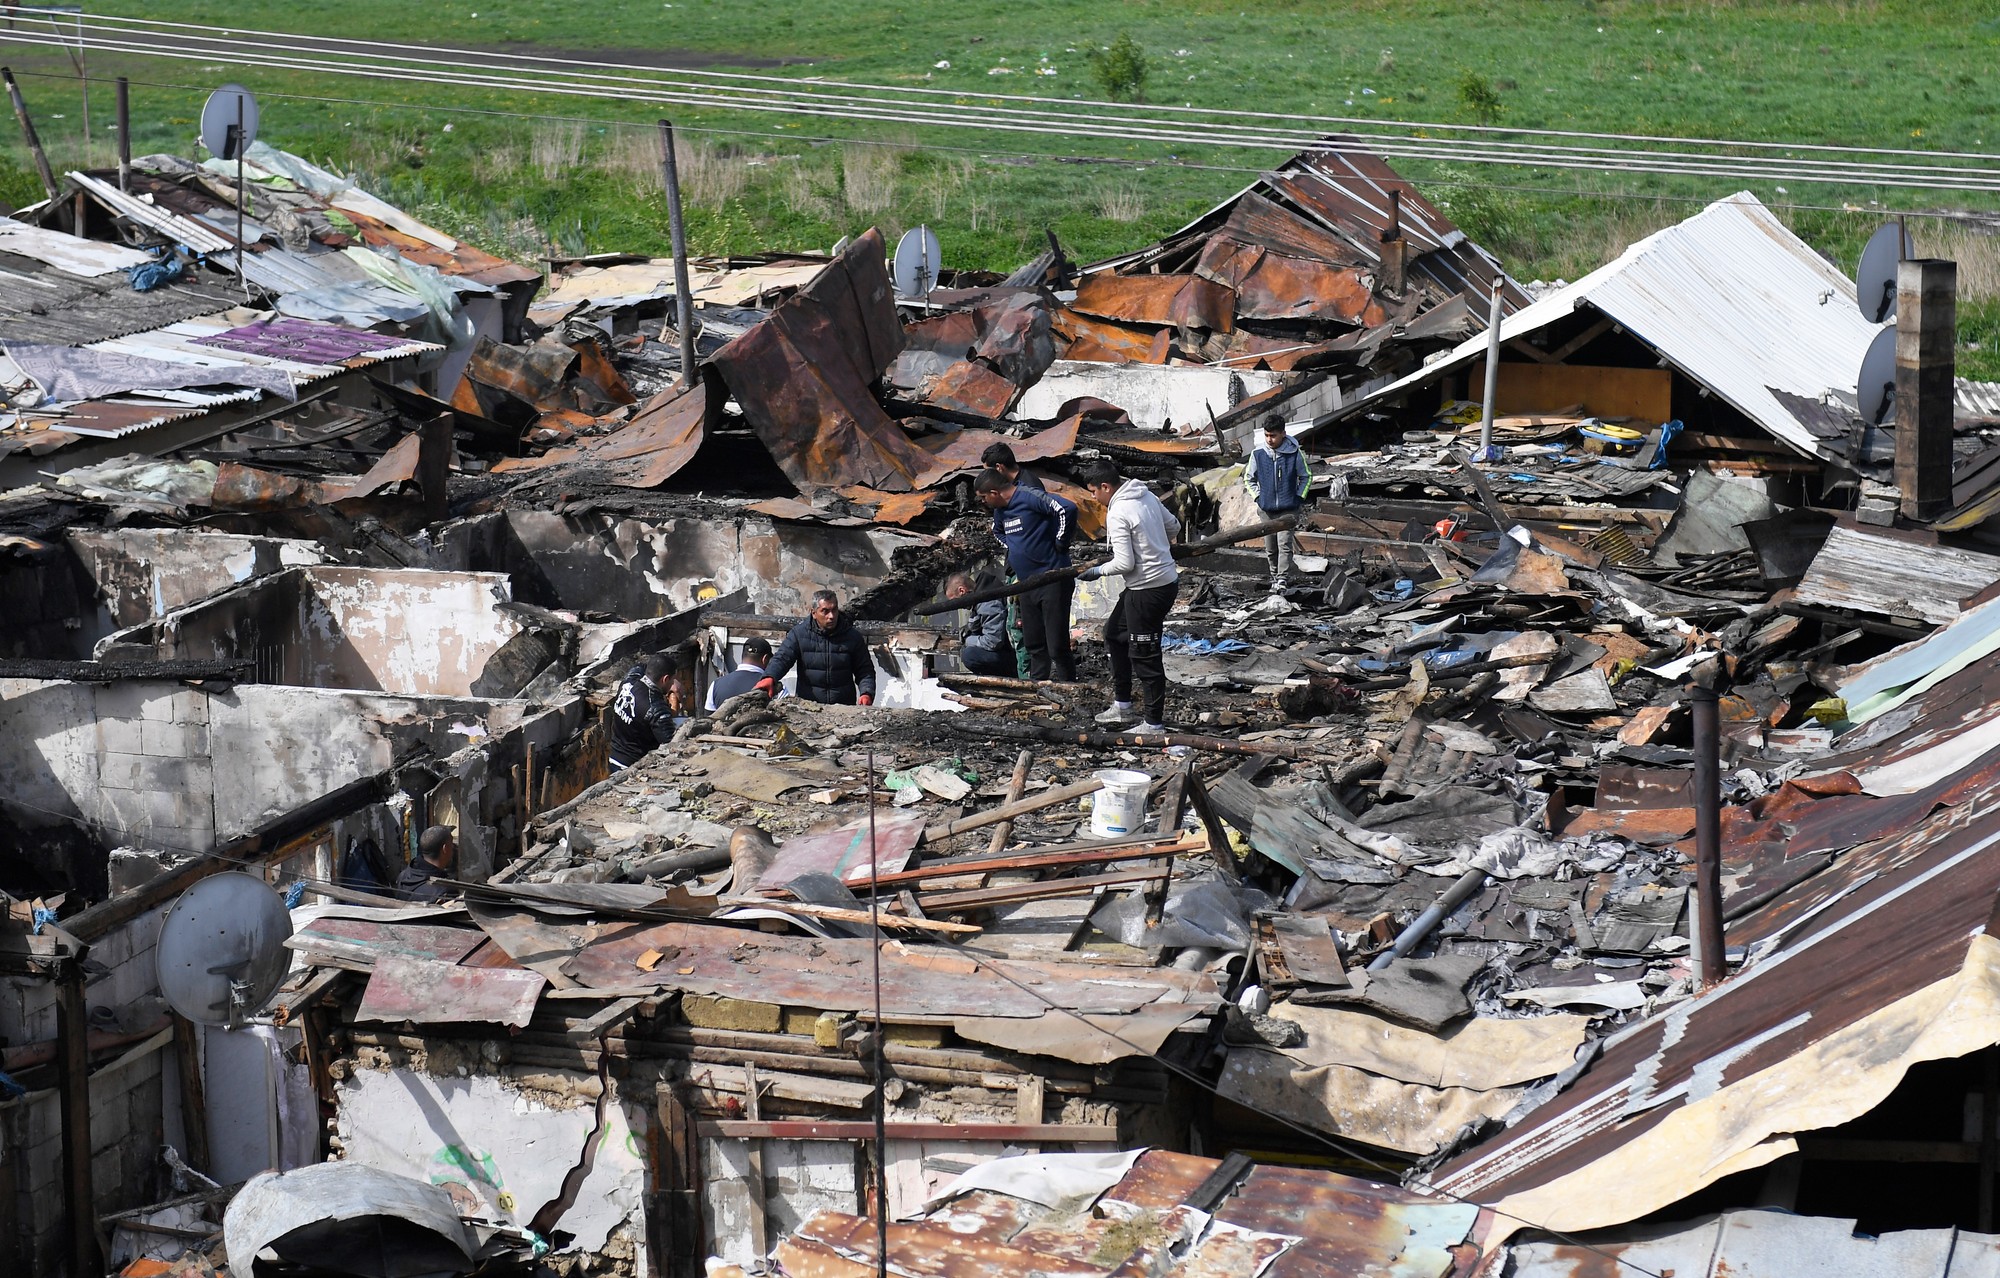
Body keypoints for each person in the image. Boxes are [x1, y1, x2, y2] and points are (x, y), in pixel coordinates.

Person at [1077, 459, 1181, 734]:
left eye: (1093, 491)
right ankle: (1123, 706)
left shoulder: (1119, 511)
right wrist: (1154, 544)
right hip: (1160, 584)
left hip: (1148, 590)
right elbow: (1174, 526)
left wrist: (1097, 571)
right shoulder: (1145, 494)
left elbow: (1124, 564)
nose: (1093, 497)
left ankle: (1153, 723)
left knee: (1145, 656)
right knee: (1114, 633)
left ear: (1105, 486)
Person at [976, 468, 1078, 681]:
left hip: (1053, 577)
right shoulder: (1000, 513)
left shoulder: (1029, 497)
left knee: (1057, 644)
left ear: (994, 492)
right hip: (1026, 583)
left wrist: (1061, 541)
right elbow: (998, 532)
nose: (983, 502)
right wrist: (1014, 548)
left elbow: (1066, 508)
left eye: (984, 497)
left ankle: (1070, 687)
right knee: (1033, 642)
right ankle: (1037, 687)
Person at [758, 589, 877, 706]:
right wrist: (770, 677)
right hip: (809, 707)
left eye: (834, 610)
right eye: (825, 611)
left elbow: (865, 670)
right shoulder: (799, 634)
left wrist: (866, 693)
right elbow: (782, 658)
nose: (831, 616)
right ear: (814, 613)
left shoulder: (852, 637)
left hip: (843, 707)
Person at [1243, 414, 1311, 593]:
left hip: (1288, 509)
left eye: (1273, 435)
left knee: (1284, 545)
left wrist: (1298, 497)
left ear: (1283, 434)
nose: (1269, 439)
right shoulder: (1258, 454)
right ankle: (1274, 576)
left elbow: (1306, 476)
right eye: (1266, 435)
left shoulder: (1294, 453)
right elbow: (1248, 479)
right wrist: (1258, 498)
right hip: (1266, 510)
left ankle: (1282, 579)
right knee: (1270, 547)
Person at [609, 652, 678, 770]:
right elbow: (672, 744)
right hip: (633, 767)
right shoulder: (656, 707)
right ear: (665, 679)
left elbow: (639, 667)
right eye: (672, 680)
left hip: (614, 757)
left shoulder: (628, 682)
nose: (673, 684)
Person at [945, 571, 1015, 677]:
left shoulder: (988, 602)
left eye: (954, 601)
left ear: (961, 590)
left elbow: (993, 642)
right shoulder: (981, 597)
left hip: (1012, 655)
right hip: (1007, 649)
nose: (956, 606)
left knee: (969, 655)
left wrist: (967, 640)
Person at [706, 636, 772, 711]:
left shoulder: (715, 685)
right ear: (765, 659)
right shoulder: (774, 687)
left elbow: (708, 720)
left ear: (743, 656)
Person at [396, 825, 458, 903]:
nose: (454, 848)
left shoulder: (403, 876)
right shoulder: (445, 893)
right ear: (444, 849)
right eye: (452, 845)